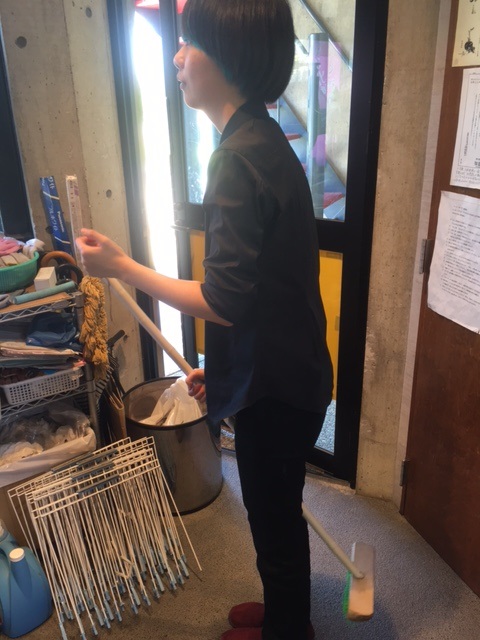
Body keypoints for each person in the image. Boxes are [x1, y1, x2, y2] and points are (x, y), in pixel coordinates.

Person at [76, 0, 333, 638]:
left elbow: (223, 299)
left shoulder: (236, 159)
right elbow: (265, 296)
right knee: (275, 511)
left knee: (274, 520)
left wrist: (122, 266)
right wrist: (223, 374)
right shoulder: (264, 140)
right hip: (286, 375)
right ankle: (285, 614)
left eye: (189, 44)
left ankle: (289, 630)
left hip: (278, 392)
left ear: (228, 58)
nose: (177, 58)